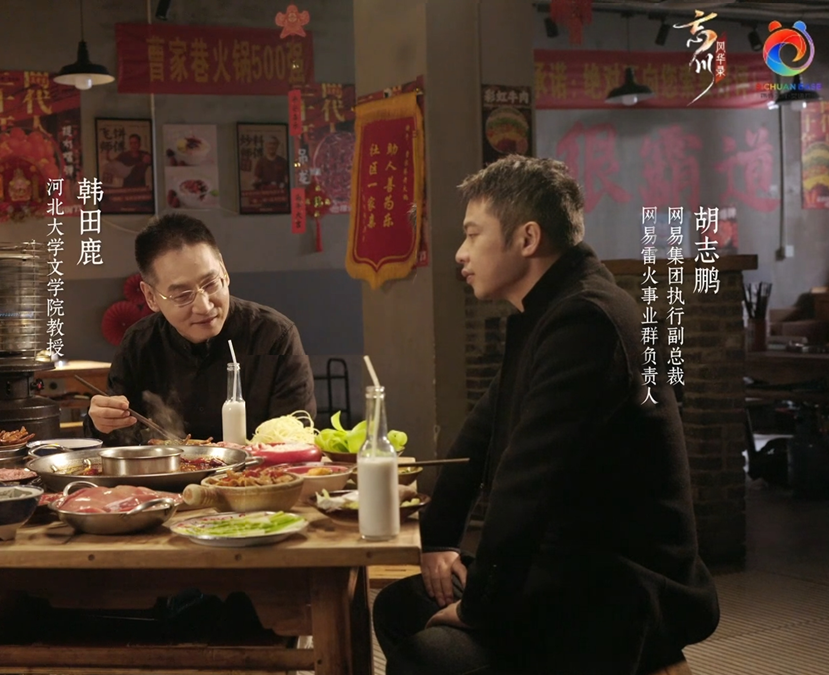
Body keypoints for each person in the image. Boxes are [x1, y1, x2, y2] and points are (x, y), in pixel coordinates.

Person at [373, 156, 719, 675]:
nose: (461, 253)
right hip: (563, 571)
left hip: (620, 590)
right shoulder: (552, 310)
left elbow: (526, 484)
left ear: (528, 238)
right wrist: (439, 539)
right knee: (402, 605)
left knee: (427, 659)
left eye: (473, 234)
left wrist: (477, 609)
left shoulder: (587, 319)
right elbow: (482, 433)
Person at [85, 213, 316, 443]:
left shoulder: (274, 336)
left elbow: (296, 437)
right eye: (182, 295)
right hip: (164, 467)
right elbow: (116, 442)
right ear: (151, 297)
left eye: (211, 283)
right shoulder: (139, 344)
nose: (204, 306)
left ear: (224, 271)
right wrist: (101, 423)